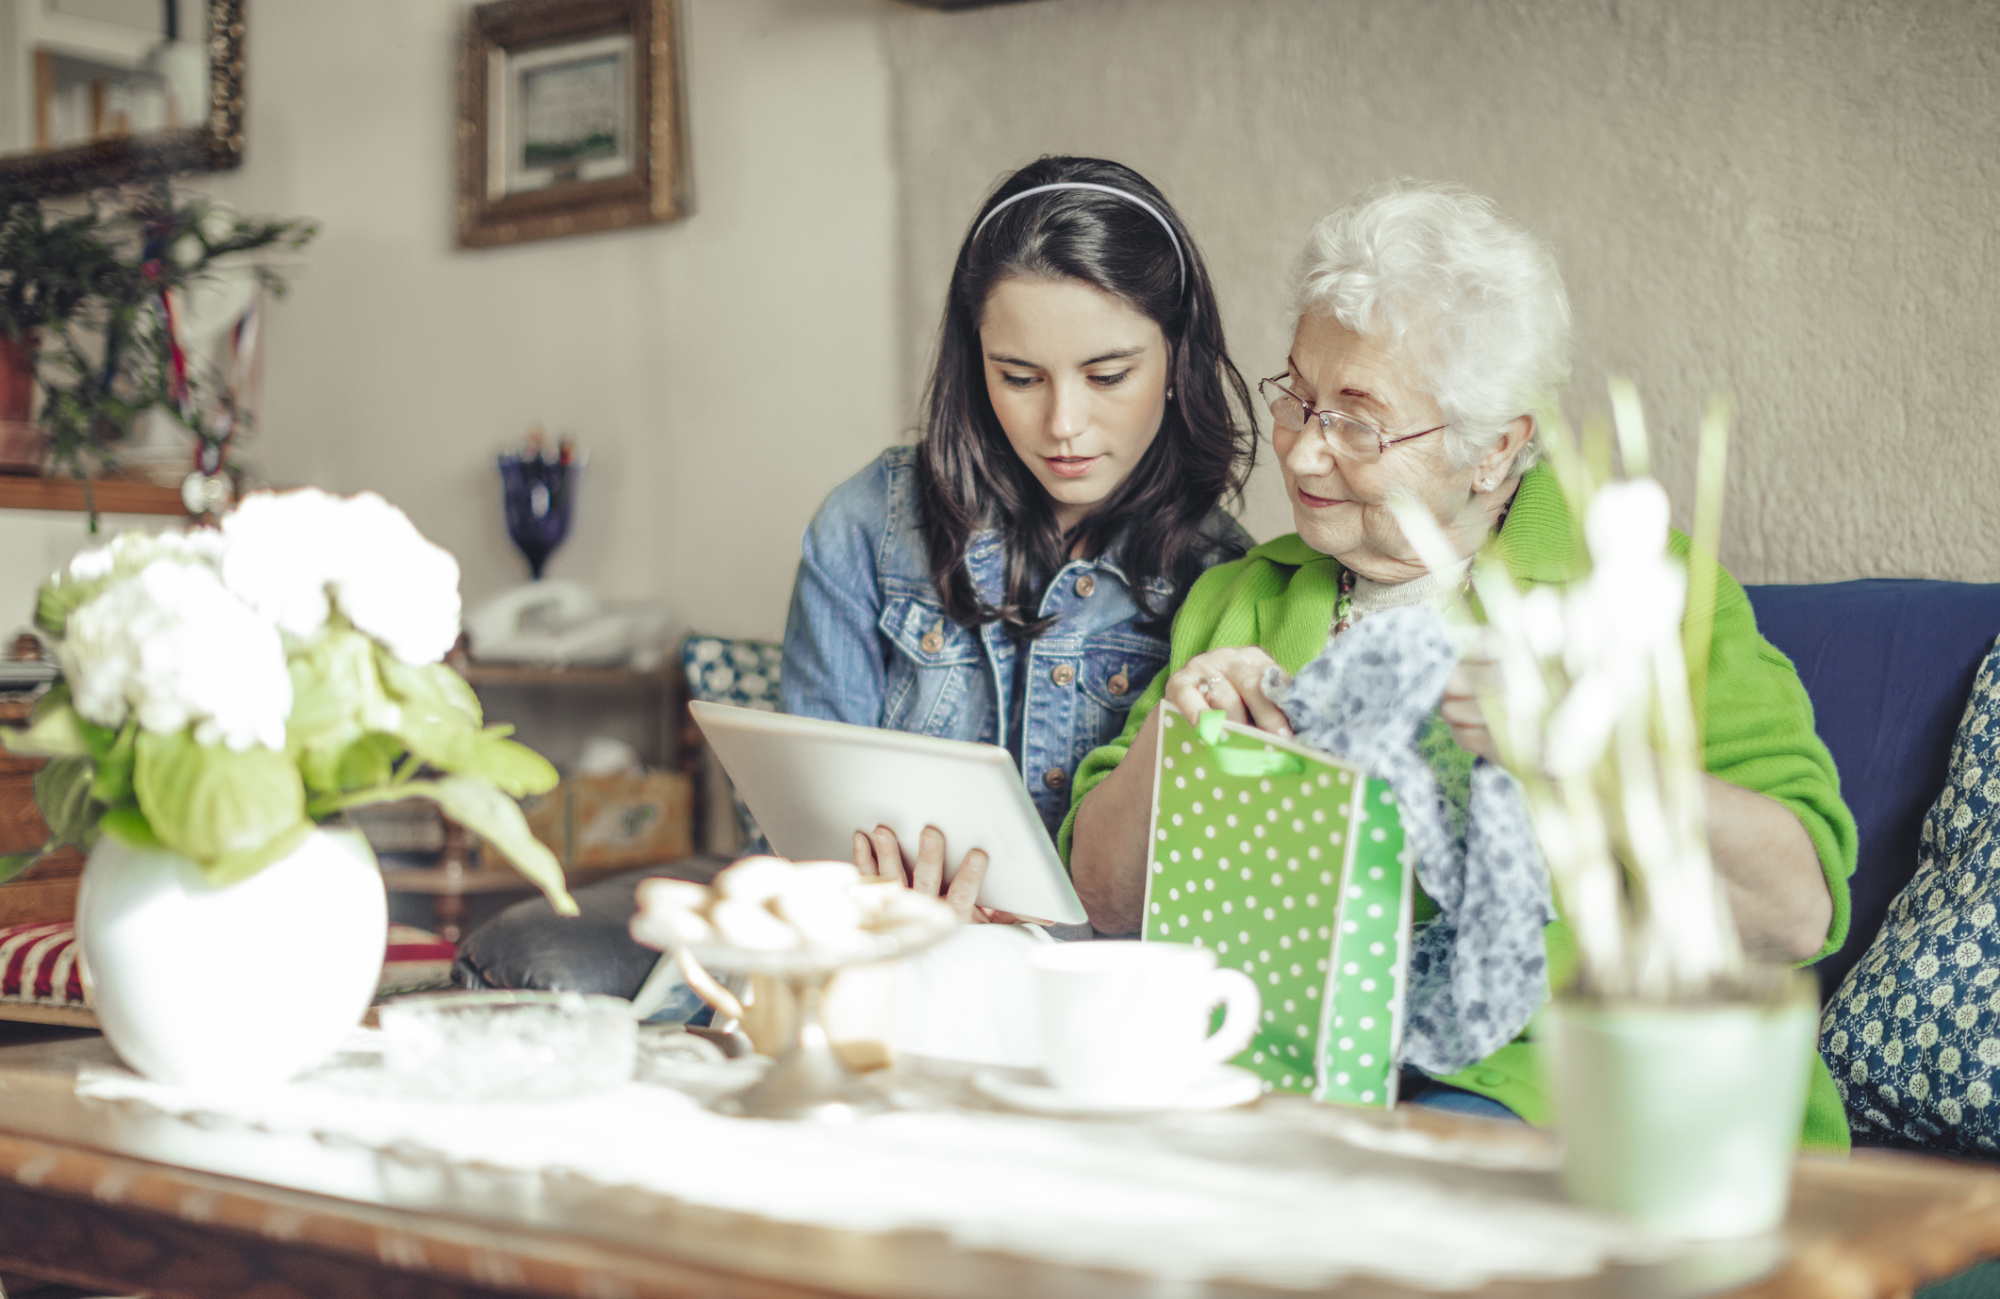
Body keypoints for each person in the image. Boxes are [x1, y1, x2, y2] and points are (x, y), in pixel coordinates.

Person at [1063, 181, 1858, 1145]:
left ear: (1495, 449)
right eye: (1298, 399)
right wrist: (1175, 738)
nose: (1304, 458)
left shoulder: (1642, 591)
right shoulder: (1246, 597)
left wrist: (1585, 760)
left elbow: (1795, 911)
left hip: (1563, 1082)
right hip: (1275, 1056)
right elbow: (1103, 898)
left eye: (1358, 421)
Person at [781, 156, 1258, 926]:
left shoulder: (1227, 579)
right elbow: (804, 823)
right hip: (873, 957)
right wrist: (872, 898)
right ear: (976, 365)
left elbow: (1188, 906)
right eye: (1019, 376)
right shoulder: (866, 524)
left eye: (1107, 376)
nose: (1063, 424)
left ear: (1175, 358)